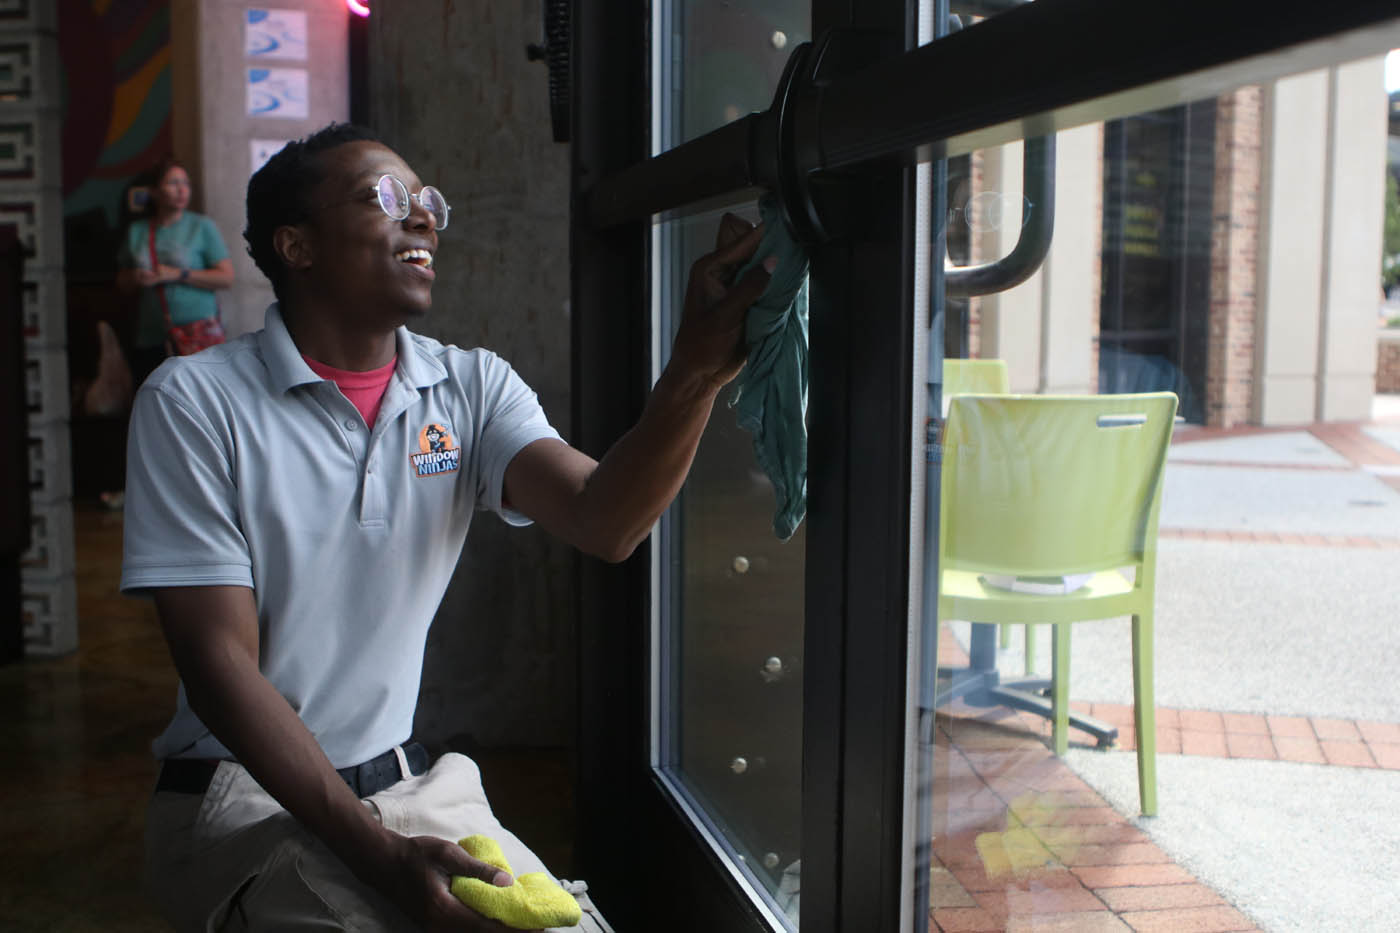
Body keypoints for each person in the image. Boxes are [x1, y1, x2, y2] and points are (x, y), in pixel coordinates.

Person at [121, 122, 773, 931]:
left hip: (407, 785)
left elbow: (607, 520)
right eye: (384, 198)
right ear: (298, 245)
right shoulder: (193, 402)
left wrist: (695, 370)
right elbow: (219, 666)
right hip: (238, 793)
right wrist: (385, 862)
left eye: (428, 202)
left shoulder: (468, 386)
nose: (422, 218)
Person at [116, 156, 235, 388]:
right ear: (154, 191)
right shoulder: (138, 231)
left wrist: (178, 274)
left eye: (186, 184)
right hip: (152, 335)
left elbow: (226, 277)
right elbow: (121, 281)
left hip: (197, 335)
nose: (182, 190)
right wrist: (135, 278)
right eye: (173, 183)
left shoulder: (201, 226)